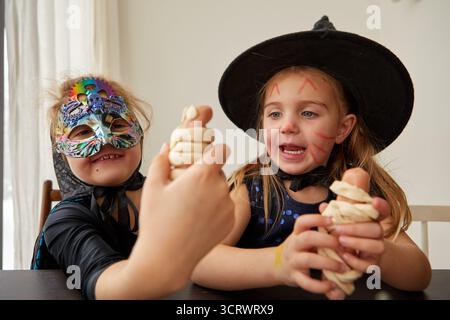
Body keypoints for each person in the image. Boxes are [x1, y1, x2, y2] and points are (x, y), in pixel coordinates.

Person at [191, 16, 431, 299]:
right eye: (275, 113)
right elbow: (199, 262)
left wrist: (381, 252)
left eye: (308, 113)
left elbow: (420, 275)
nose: (288, 126)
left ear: (343, 128)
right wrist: (278, 263)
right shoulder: (254, 189)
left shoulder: (363, 197)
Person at [31, 76, 235, 299]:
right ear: (62, 153)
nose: (105, 138)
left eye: (117, 124)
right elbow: (108, 286)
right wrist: (166, 249)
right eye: (82, 132)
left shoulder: (167, 192)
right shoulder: (65, 220)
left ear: (138, 133)